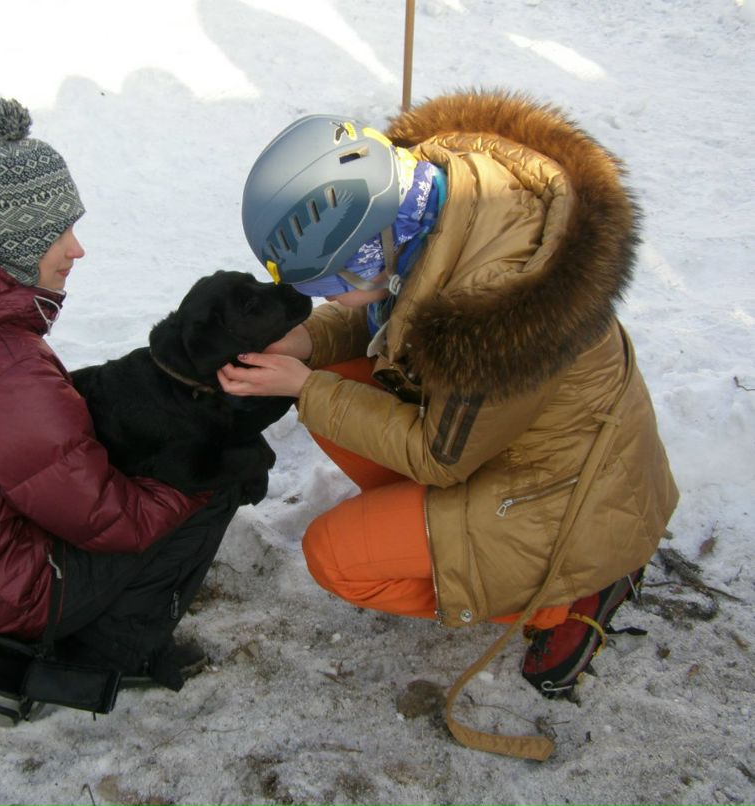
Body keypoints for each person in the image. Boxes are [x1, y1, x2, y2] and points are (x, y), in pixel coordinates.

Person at [221, 89, 678, 755]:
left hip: (567, 497)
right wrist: (307, 347)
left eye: (324, 284)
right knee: (331, 390)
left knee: (336, 557)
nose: (321, 300)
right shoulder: (431, 204)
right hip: (507, 443)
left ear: (368, 249)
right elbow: (386, 304)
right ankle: (433, 533)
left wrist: (307, 385)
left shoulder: (499, 311)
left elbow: (440, 457)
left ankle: (568, 596)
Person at [0, 97, 242, 692]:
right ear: (12, 244)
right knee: (212, 485)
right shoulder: (6, 373)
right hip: (1, 594)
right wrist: (195, 487)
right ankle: (115, 650)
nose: (76, 248)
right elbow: (112, 522)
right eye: (57, 233)